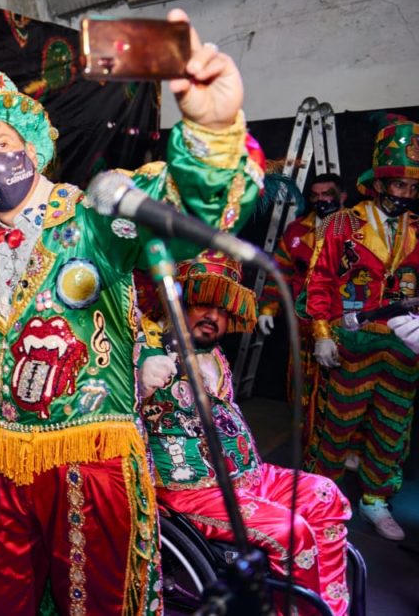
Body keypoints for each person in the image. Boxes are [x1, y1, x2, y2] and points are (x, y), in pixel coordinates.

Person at [0, 8, 262, 614]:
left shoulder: (91, 217)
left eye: (0, 142)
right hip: (2, 456)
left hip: (93, 460)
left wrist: (210, 140)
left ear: (30, 143)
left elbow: (187, 210)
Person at [138, 251, 352, 615]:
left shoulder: (216, 355)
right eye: (203, 305)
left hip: (250, 477)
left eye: (222, 311)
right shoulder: (144, 346)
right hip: (193, 492)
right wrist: (139, 382)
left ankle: (332, 607)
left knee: (326, 494)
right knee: (290, 531)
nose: (213, 318)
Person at [304, 119, 419, 541]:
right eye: (397, 185)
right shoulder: (342, 225)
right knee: (337, 425)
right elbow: (318, 280)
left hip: (404, 351)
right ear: (380, 183)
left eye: (412, 188)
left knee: (392, 426)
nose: (404, 195)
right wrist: (320, 332)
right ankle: (323, 495)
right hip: (352, 343)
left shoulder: (418, 230)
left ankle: (376, 499)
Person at [257, 173, 348, 463]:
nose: (321, 199)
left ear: (342, 196)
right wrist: (268, 309)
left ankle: (345, 448)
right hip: (303, 324)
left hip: (343, 324)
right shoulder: (297, 230)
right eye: (316, 195)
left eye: (328, 193)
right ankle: (307, 443)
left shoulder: (358, 229)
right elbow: (279, 273)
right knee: (302, 386)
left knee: (342, 388)